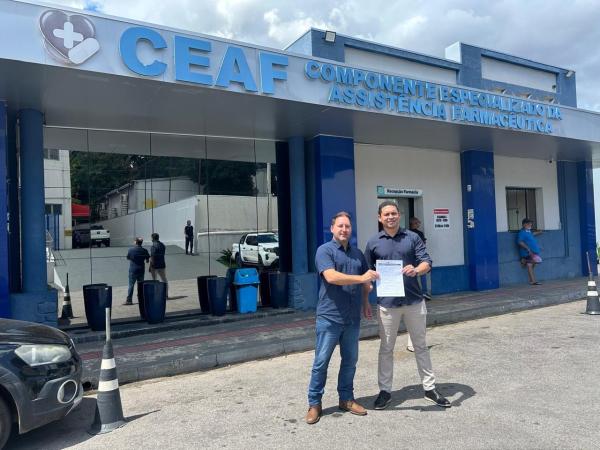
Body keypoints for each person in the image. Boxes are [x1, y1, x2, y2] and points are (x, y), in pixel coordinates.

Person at [364, 201, 451, 410]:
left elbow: (427, 262)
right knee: (386, 349)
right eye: (386, 214)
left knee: (420, 346)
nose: (390, 217)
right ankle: (385, 391)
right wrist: (368, 289)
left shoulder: (412, 237)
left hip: (414, 301)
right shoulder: (373, 242)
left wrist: (417, 270)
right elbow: (367, 272)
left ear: (399, 215)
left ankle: (430, 388)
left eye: (394, 213)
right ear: (379, 218)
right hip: (387, 304)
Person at [305, 211, 379, 425]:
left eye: (347, 226)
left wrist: (366, 301)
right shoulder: (324, 251)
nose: (344, 230)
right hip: (329, 317)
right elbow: (331, 277)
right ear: (332, 228)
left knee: (350, 361)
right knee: (321, 362)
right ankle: (314, 403)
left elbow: (366, 282)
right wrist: (361, 277)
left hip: (352, 317)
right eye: (340, 226)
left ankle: (346, 399)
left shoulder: (357, 254)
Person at [407, 216, 431, 352]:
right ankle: (424, 292)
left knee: (420, 275)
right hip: (414, 263)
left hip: (418, 263)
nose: (418, 224)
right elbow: (424, 245)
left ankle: (424, 292)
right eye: (417, 222)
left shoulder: (415, 234)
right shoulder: (414, 234)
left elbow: (423, 250)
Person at [517, 218, 542, 285]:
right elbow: (520, 242)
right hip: (528, 252)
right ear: (524, 224)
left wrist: (539, 232)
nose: (530, 225)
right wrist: (527, 248)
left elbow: (532, 234)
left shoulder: (528, 231)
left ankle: (524, 261)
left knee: (534, 263)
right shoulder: (522, 232)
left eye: (531, 224)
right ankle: (533, 281)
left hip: (533, 252)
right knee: (531, 264)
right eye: (528, 224)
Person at [125, 237, 150, 305]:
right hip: (141, 270)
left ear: (136, 242)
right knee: (140, 285)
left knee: (131, 285)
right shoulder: (144, 250)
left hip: (133, 270)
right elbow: (147, 260)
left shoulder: (131, 250)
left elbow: (128, 258)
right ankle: (140, 299)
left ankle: (129, 300)